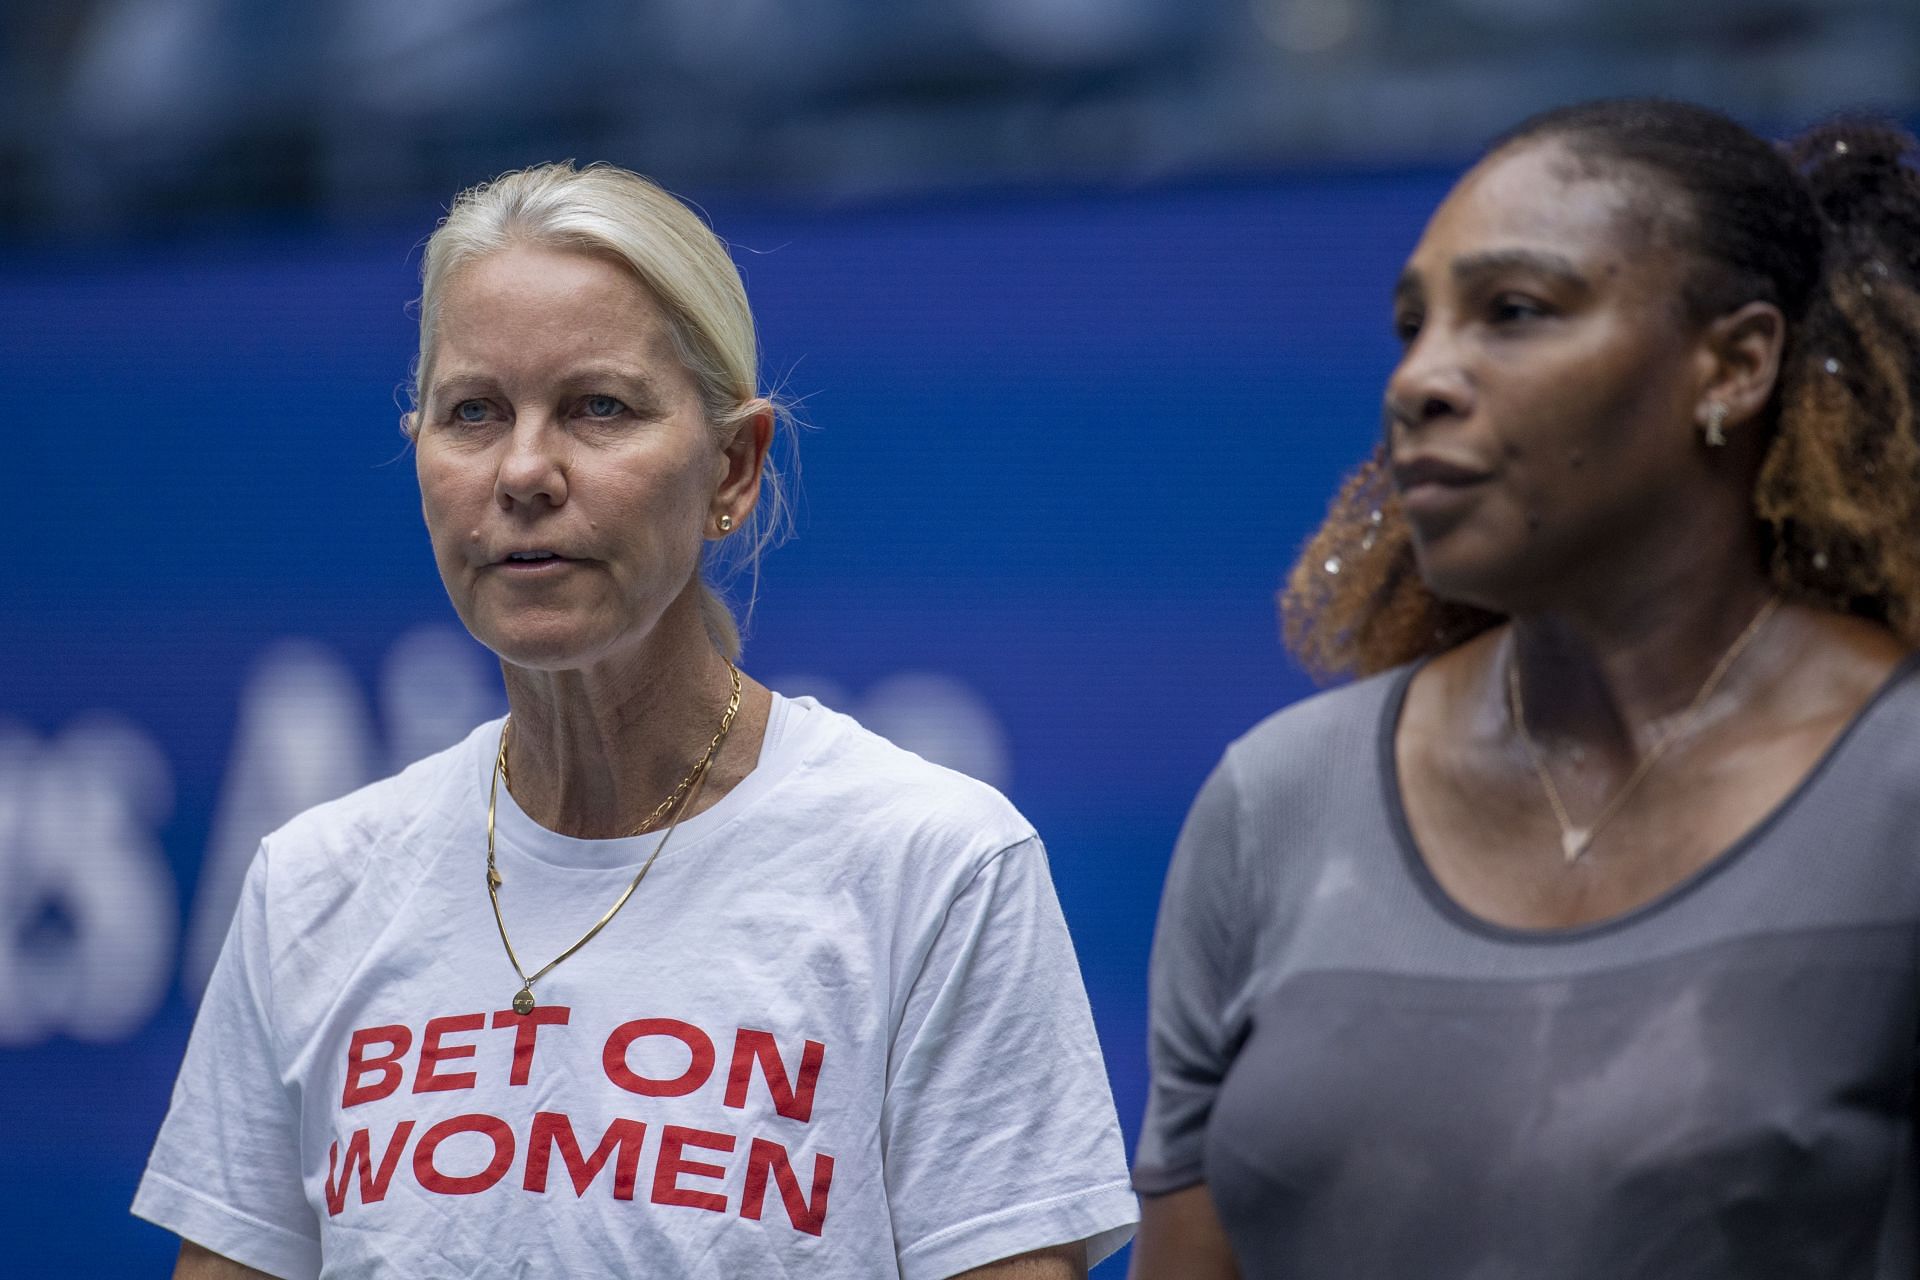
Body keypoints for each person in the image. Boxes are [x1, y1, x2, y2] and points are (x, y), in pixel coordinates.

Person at [134, 162, 1136, 1279]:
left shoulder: (932, 868)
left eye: (596, 407)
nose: (523, 471)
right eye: (474, 412)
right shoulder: (310, 886)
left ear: (735, 465)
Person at [1130, 99, 1920, 1278]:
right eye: (1411, 325)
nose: (1420, 379)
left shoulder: (1899, 780)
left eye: (1514, 311)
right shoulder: (1273, 799)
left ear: (1737, 363)